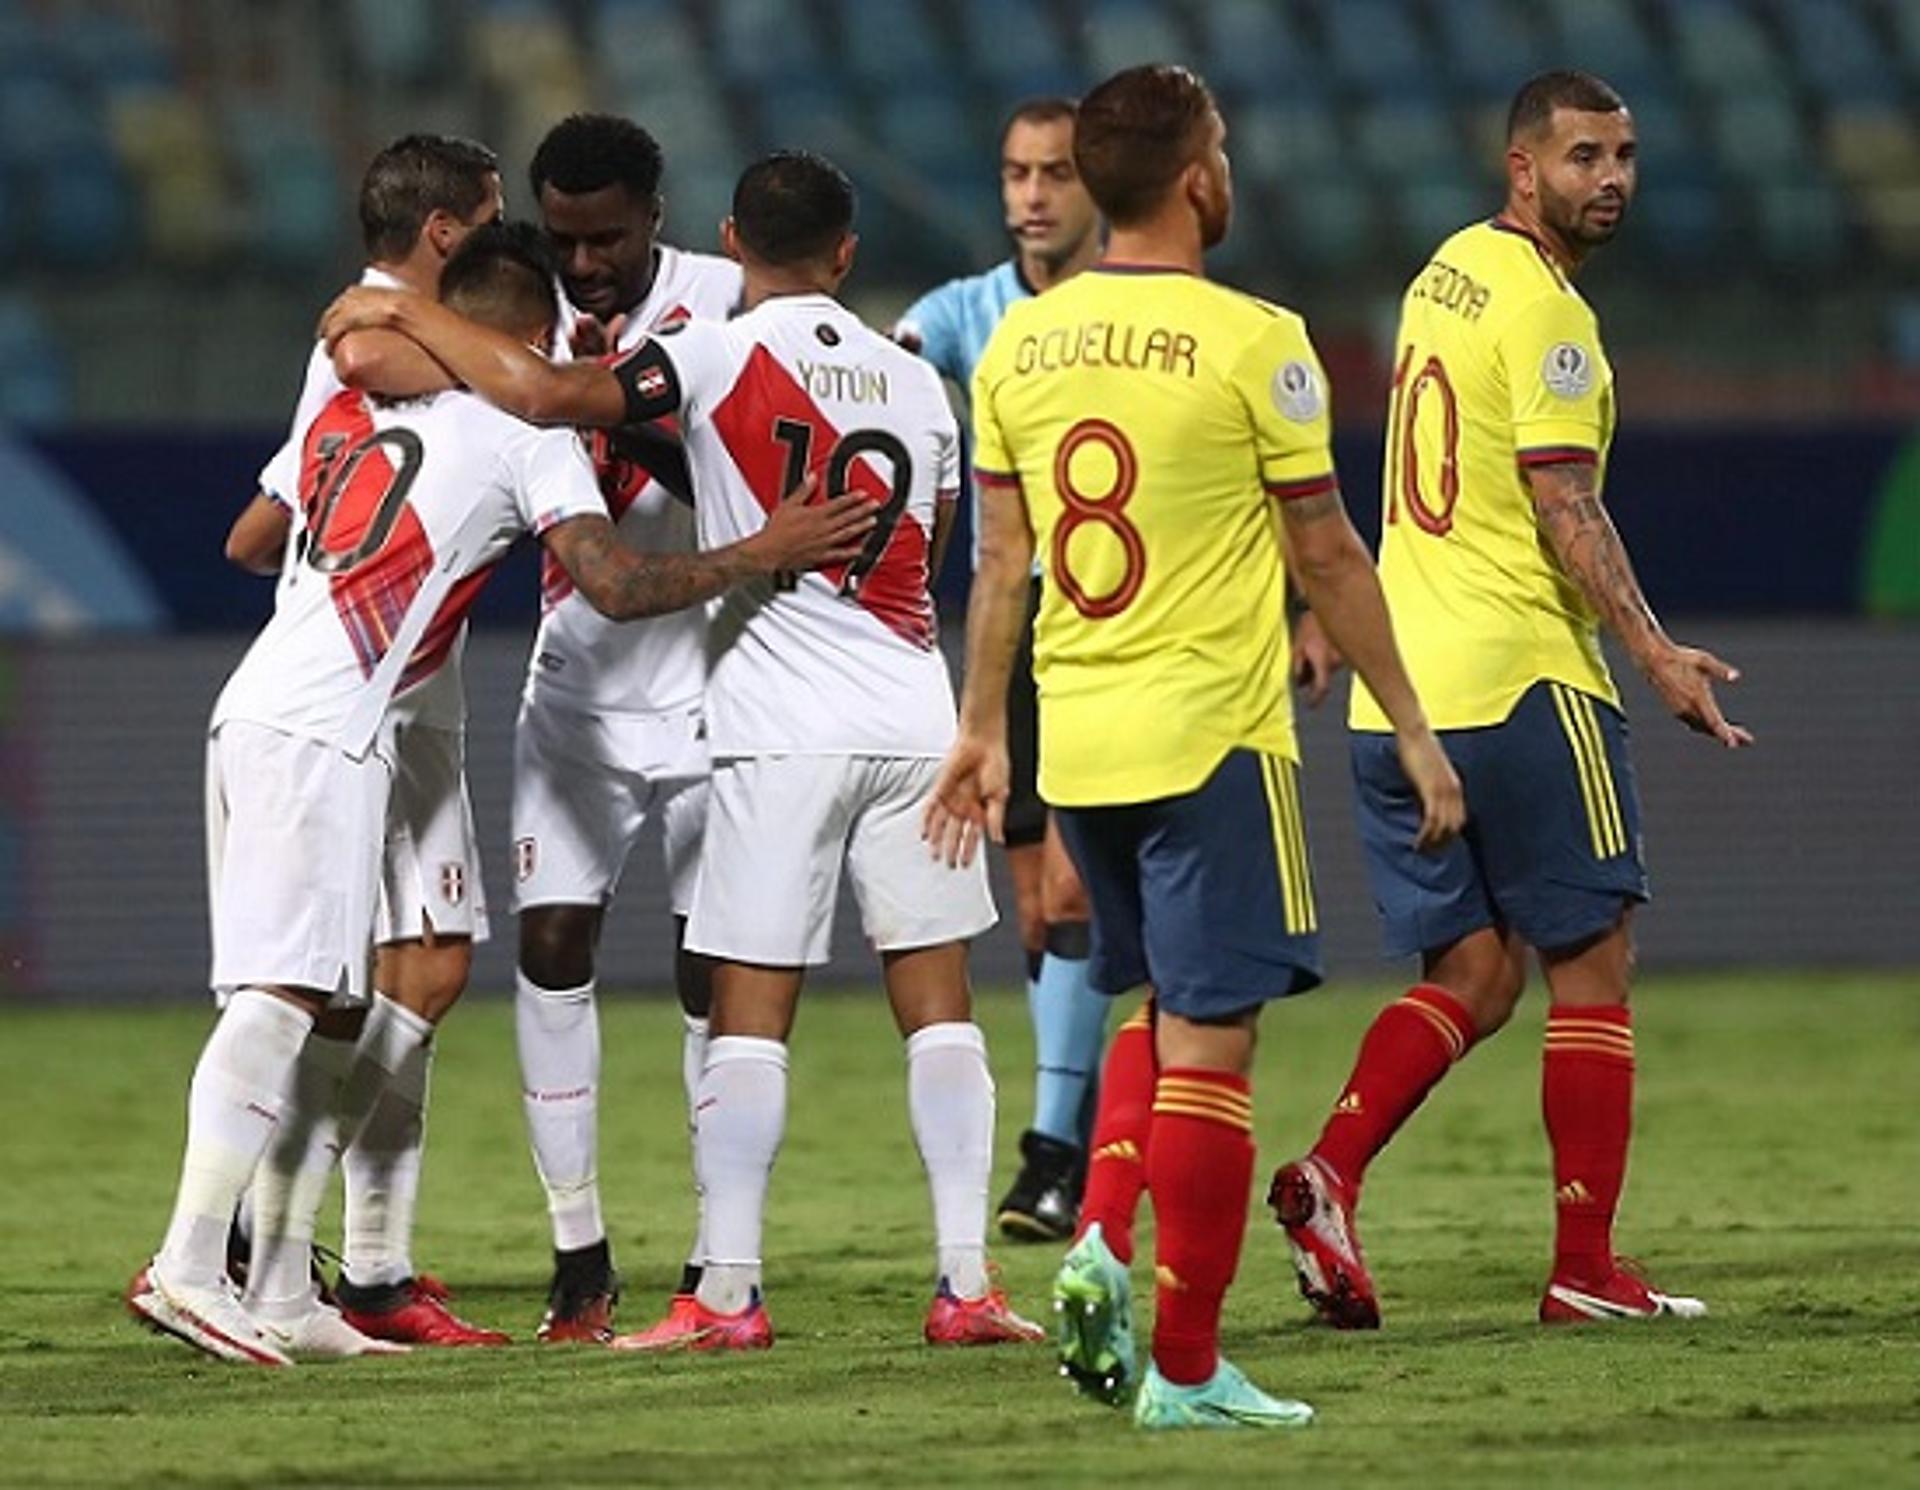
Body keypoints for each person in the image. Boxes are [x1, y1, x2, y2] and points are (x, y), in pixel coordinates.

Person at [319, 149, 1045, 1354]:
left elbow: (554, 403)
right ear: (848, 255)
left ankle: (728, 1291)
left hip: (773, 723)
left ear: (721, 238)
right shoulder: (919, 388)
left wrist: (408, 311)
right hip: (912, 707)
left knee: (750, 1011)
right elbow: (944, 539)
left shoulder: (716, 348)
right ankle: (965, 1281)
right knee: (942, 1004)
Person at [129, 221, 872, 1366]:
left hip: (269, 698)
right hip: (326, 728)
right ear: (530, 337)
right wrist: (757, 547)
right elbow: (616, 583)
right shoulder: (527, 432)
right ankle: (188, 1260)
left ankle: (280, 1285)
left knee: (333, 997)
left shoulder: (340, 407)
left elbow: (251, 536)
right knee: (283, 995)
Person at [922, 65, 1463, 1430]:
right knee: (1215, 1051)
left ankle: (1102, 1237)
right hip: (1212, 738)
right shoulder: (1254, 340)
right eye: (1220, 146)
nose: (1229, 167)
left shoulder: (1018, 349)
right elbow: (1328, 551)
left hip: (1082, 744)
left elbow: (998, 564)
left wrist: (983, 730)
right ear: (1193, 178)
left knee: (1158, 1012)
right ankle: (1184, 1365)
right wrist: (1411, 721)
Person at [1269, 70, 1744, 1331]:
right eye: (1586, 154)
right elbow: (1559, 500)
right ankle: (1586, 1266)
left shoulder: (1446, 272)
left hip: (1406, 701)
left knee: (1474, 973)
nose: (1615, 179)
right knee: (1593, 968)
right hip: (1527, 678)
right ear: (1522, 166)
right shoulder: (1550, 320)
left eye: (1628, 154)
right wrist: (1650, 649)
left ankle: (1330, 1173)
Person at [222, 132, 513, 1348]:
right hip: (366, 683)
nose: (505, 236)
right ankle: (251, 1215)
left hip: (413, 676)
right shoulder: (372, 332)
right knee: (324, 978)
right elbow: (382, 357)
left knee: (421, 968)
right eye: (491, 216)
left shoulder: (402, 336)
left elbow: (262, 525)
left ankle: (358, 1258)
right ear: (447, 229)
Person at [510, 113, 743, 1346]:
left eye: (605, 237)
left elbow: (757, 475)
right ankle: (577, 1249)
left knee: (714, 973)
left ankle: (716, 1251)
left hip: (717, 676)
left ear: (657, 215)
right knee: (551, 948)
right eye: (565, 238)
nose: (584, 263)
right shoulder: (522, 312)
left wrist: (612, 395)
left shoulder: (727, 303)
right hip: (580, 682)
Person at [894, 97, 1107, 1243]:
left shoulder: (1135, 315)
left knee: (1073, 892)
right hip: (1004, 641)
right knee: (1035, 907)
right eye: (1017, 171)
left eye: (1057, 173)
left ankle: (1054, 1156)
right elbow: (889, 370)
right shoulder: (960, 315)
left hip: (1110, 637)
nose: (1033, 194)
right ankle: (1087, 1128)